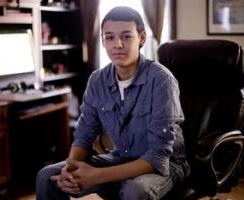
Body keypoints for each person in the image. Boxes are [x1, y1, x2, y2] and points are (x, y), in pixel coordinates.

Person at [36, 6, 190, 200]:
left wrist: (97, 176)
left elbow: (158, 157)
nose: (117, 44)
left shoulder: (161, 81)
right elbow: (84, 135)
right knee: (48, 177)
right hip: (121, 157)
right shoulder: (97, 80)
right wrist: (70, 167)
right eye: (109, 37)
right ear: (102, 41)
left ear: (141, 38)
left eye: (126, 36)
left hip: (166, 165)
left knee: (135, 190)